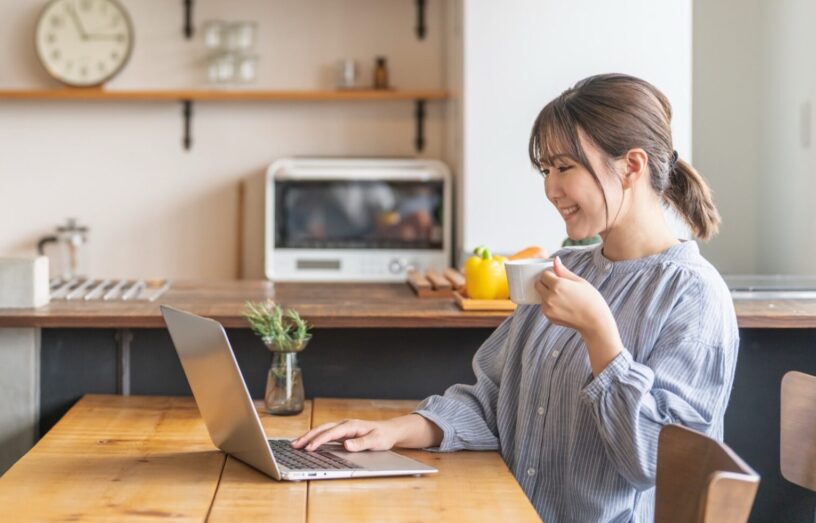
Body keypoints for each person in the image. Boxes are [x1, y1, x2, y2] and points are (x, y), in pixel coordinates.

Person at [292, 74, 738, 522]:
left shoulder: (694, 295)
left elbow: (658, 465)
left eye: (565, 167)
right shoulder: (564, 269)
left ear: (632, 166)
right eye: (546, 171)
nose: (550, 189)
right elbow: (493, 400)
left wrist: (600, 335)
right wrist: (392, 431)